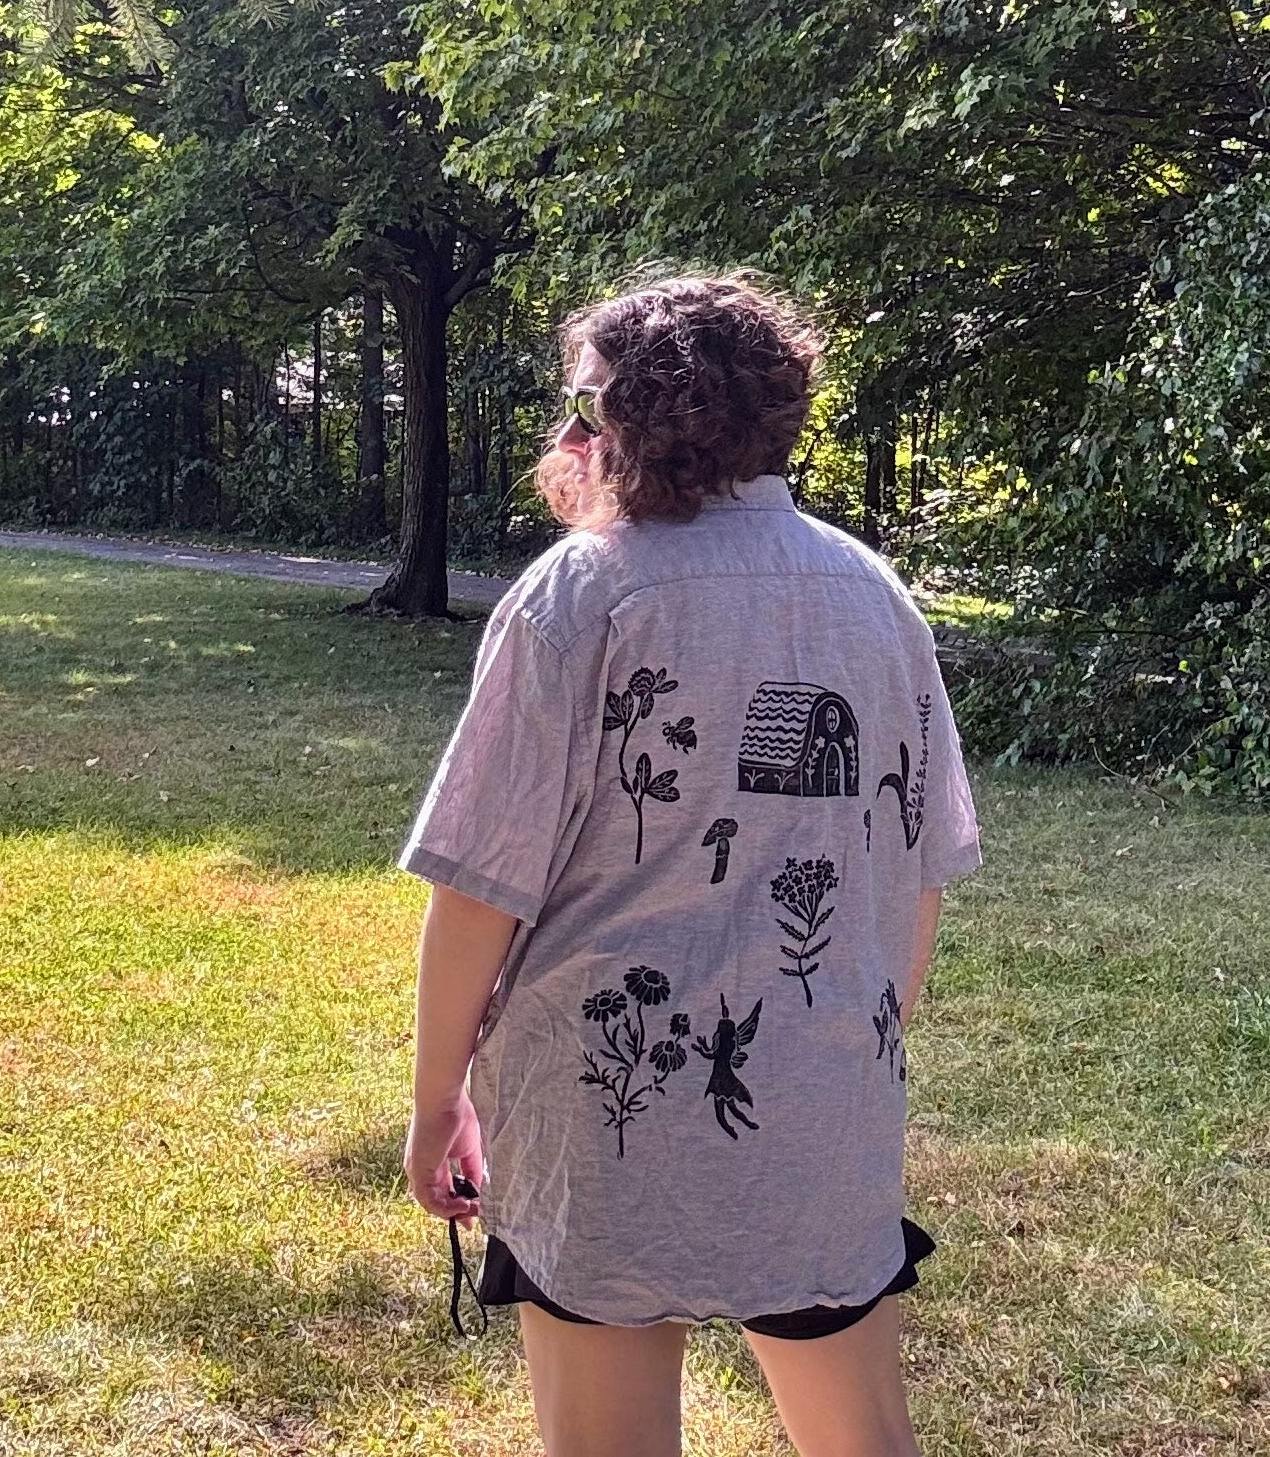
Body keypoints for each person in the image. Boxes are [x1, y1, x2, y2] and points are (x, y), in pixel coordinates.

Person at [399, 274, 981, 1457]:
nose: (566, 436)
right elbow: (915, 873)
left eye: (582, 404)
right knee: (862, 1435)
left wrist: (434, 1102)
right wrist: (846, 1052)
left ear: (632, 417)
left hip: (601, 1106)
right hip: (821, 1108)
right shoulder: (875, 596)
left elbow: (476, 887)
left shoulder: (578, 592)